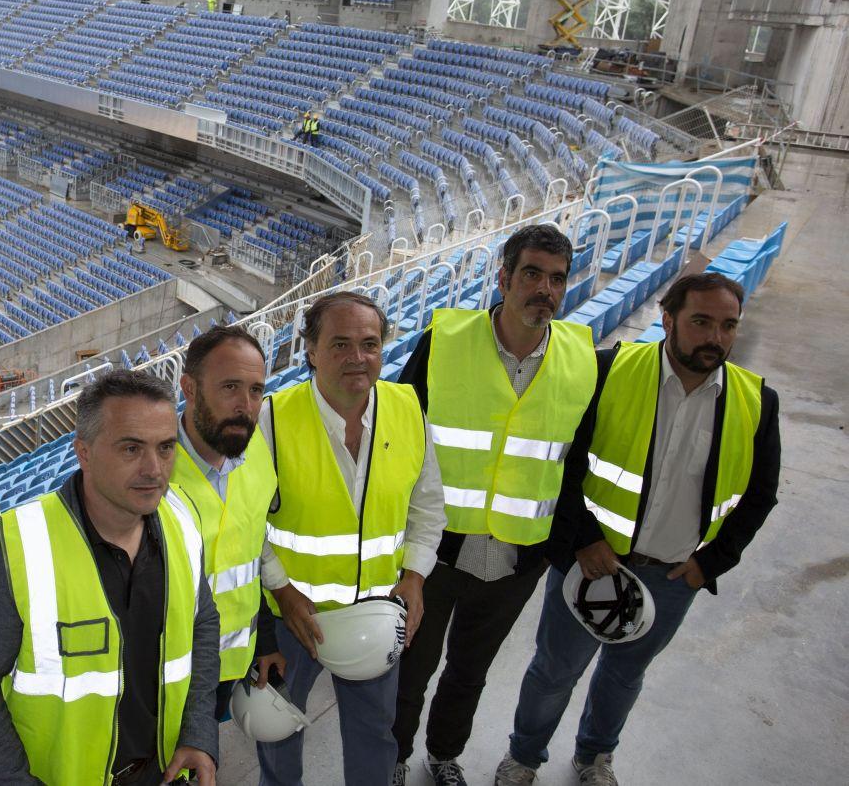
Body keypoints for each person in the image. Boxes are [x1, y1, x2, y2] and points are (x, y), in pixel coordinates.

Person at [496, 272, 781, 786]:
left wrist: (709, 564)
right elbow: (558, 462)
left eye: (727, 326)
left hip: (673, 578)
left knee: (625, 675)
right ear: (668, 319)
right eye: (701, 322)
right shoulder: (608, 370)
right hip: (589, 563)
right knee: (555, 671)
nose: (715, 337)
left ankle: (594, 757)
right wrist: (581, 539)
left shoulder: (757, 401)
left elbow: (759, 497)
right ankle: (524, 756)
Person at [391, 224, 597, 786]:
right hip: (435, 553)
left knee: (470, 672)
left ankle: (444, 754)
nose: (544, 290)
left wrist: (577, 540)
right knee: (411, 667)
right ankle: (394, 758)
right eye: (531, 273)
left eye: (557, 278)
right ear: (503, 278)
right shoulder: (446, 341)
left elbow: (574, 462)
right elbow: (400, 435)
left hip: (517, 559)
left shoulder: (583, 360)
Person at [0, 370, 221, 786]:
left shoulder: (182, 520)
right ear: (84, 453)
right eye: (131, 448)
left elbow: (203, 623)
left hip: (165, 772)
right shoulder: (14, 545)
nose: (154, 469)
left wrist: (199, 733)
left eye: (165, 448)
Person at [256, 291, 446, 786]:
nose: (357, 358)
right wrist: (281, 589)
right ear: (310, 351)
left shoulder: (408, 409)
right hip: (296, 618)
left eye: (369, 344)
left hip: (378, 614)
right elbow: (246, 525)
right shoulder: (272, 420)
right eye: (340, 344)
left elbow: (426, 505)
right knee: (277, 728)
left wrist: (416, 577)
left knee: (374, 735)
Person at [171, 326, 284, 718]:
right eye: (230, 387)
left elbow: (248, 557)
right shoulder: (148, 474)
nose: (245, 405)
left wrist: (264, 640)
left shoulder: (258, 455)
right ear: (189, 387)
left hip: (226, 670)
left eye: (255, 390)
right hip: (160, 680)